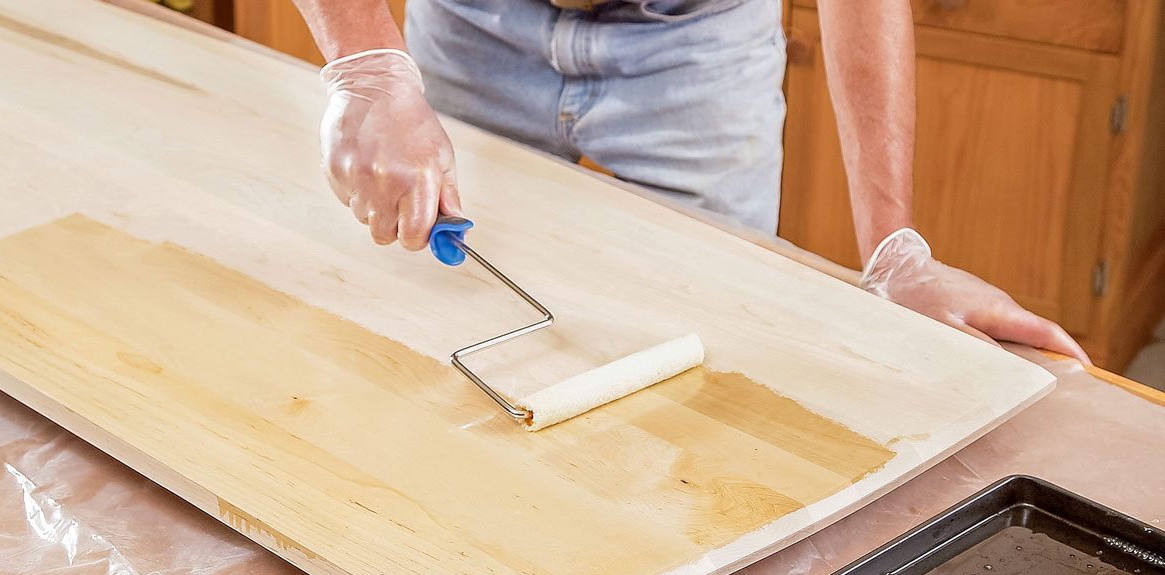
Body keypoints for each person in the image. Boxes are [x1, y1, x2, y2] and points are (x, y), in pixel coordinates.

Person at [293, 0, 1089, 361]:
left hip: (697, 36)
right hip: (473, 21)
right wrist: (366, 65)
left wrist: (893, 248)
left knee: (717, 357)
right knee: (449, 325)